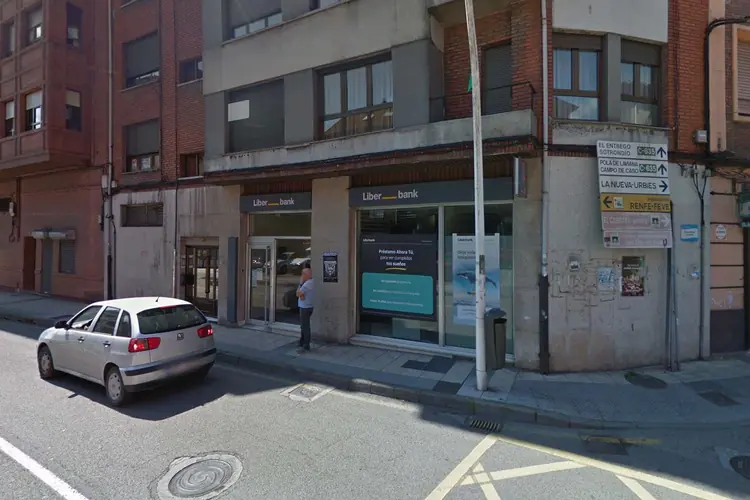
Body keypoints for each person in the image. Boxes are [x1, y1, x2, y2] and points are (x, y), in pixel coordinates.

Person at [296, 262, 314, 352]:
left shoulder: (308, 283)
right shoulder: (309, 282)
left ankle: (306, 344)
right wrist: (301, 294)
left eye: (303, 274)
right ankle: (302, 341)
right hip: (307, 306)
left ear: (306, 275)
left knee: (305, 326)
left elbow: (298, 293)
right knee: (303, 325)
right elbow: (301, 295)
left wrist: (300, 283)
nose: (302, 276)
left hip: (305, 307)